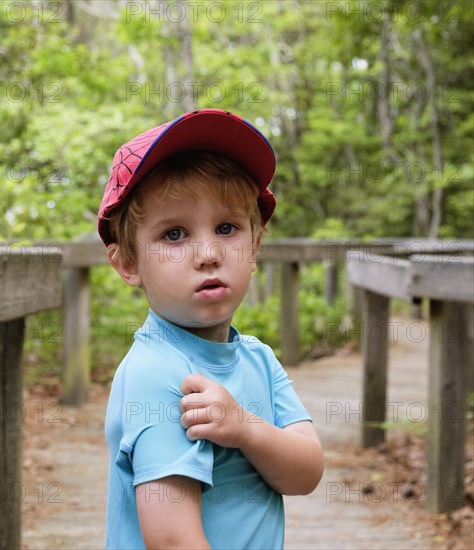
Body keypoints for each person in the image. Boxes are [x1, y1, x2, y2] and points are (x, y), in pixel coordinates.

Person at [97, 108, 323, 549]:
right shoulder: (157, 372)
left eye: (227, 228)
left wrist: (245, 428)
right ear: (128, 263)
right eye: (175, 234)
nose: (208, 253)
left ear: (255, 246)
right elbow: (172, 539)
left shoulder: (258, 357)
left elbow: (306, 473)